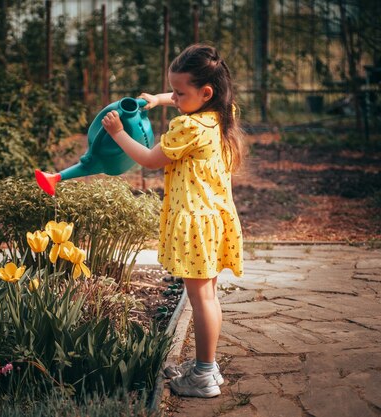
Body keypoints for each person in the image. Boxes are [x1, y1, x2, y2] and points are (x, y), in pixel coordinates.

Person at [101, 43, 243, 398]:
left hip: (194, 222)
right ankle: (206, 367)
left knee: (201, 300)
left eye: (180, 93)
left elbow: (150, 159)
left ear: (205, 93)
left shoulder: (187, 128)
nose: (175, 98)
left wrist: (118, 133)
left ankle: (204, 375)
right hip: (214, 218)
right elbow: (191, 94)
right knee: (208, 296)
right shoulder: (222, 114)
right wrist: (160, 98)